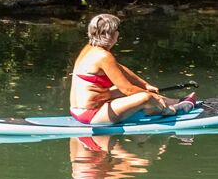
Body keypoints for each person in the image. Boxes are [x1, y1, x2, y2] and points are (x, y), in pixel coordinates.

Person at [68, 13, 197, 125]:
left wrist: (145, 85)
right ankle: (170, 110)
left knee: (127, 90)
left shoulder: (89, 49)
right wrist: (152, 96)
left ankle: (175, 101)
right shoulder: (104, 56)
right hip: (91, 114)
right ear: (113, 34)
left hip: (77, 110)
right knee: (145, 97)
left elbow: (120, 68)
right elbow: (128, 89)